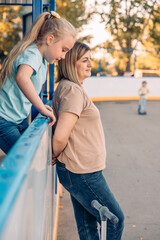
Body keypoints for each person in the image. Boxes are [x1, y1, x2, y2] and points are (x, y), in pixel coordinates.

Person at [52, 41, 124, 240]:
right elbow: (60, 136)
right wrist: (54, 154)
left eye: (90, 59)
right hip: (83, 172)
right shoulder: (72, 91)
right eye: (85, 60)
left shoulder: (70, 88)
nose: (90, 64)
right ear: (70, 63)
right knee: (115, 220)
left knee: (88, 225)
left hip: (80, 170)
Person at [0, 11, 76, 154]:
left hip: (16, 119)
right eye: (63, 50)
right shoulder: (33, 53)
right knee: (25, 159)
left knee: (32, 155)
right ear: (50, 39)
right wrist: (41, 107)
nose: (64, 56)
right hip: (4, 120)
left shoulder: (41, 59)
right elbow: (22, 78)